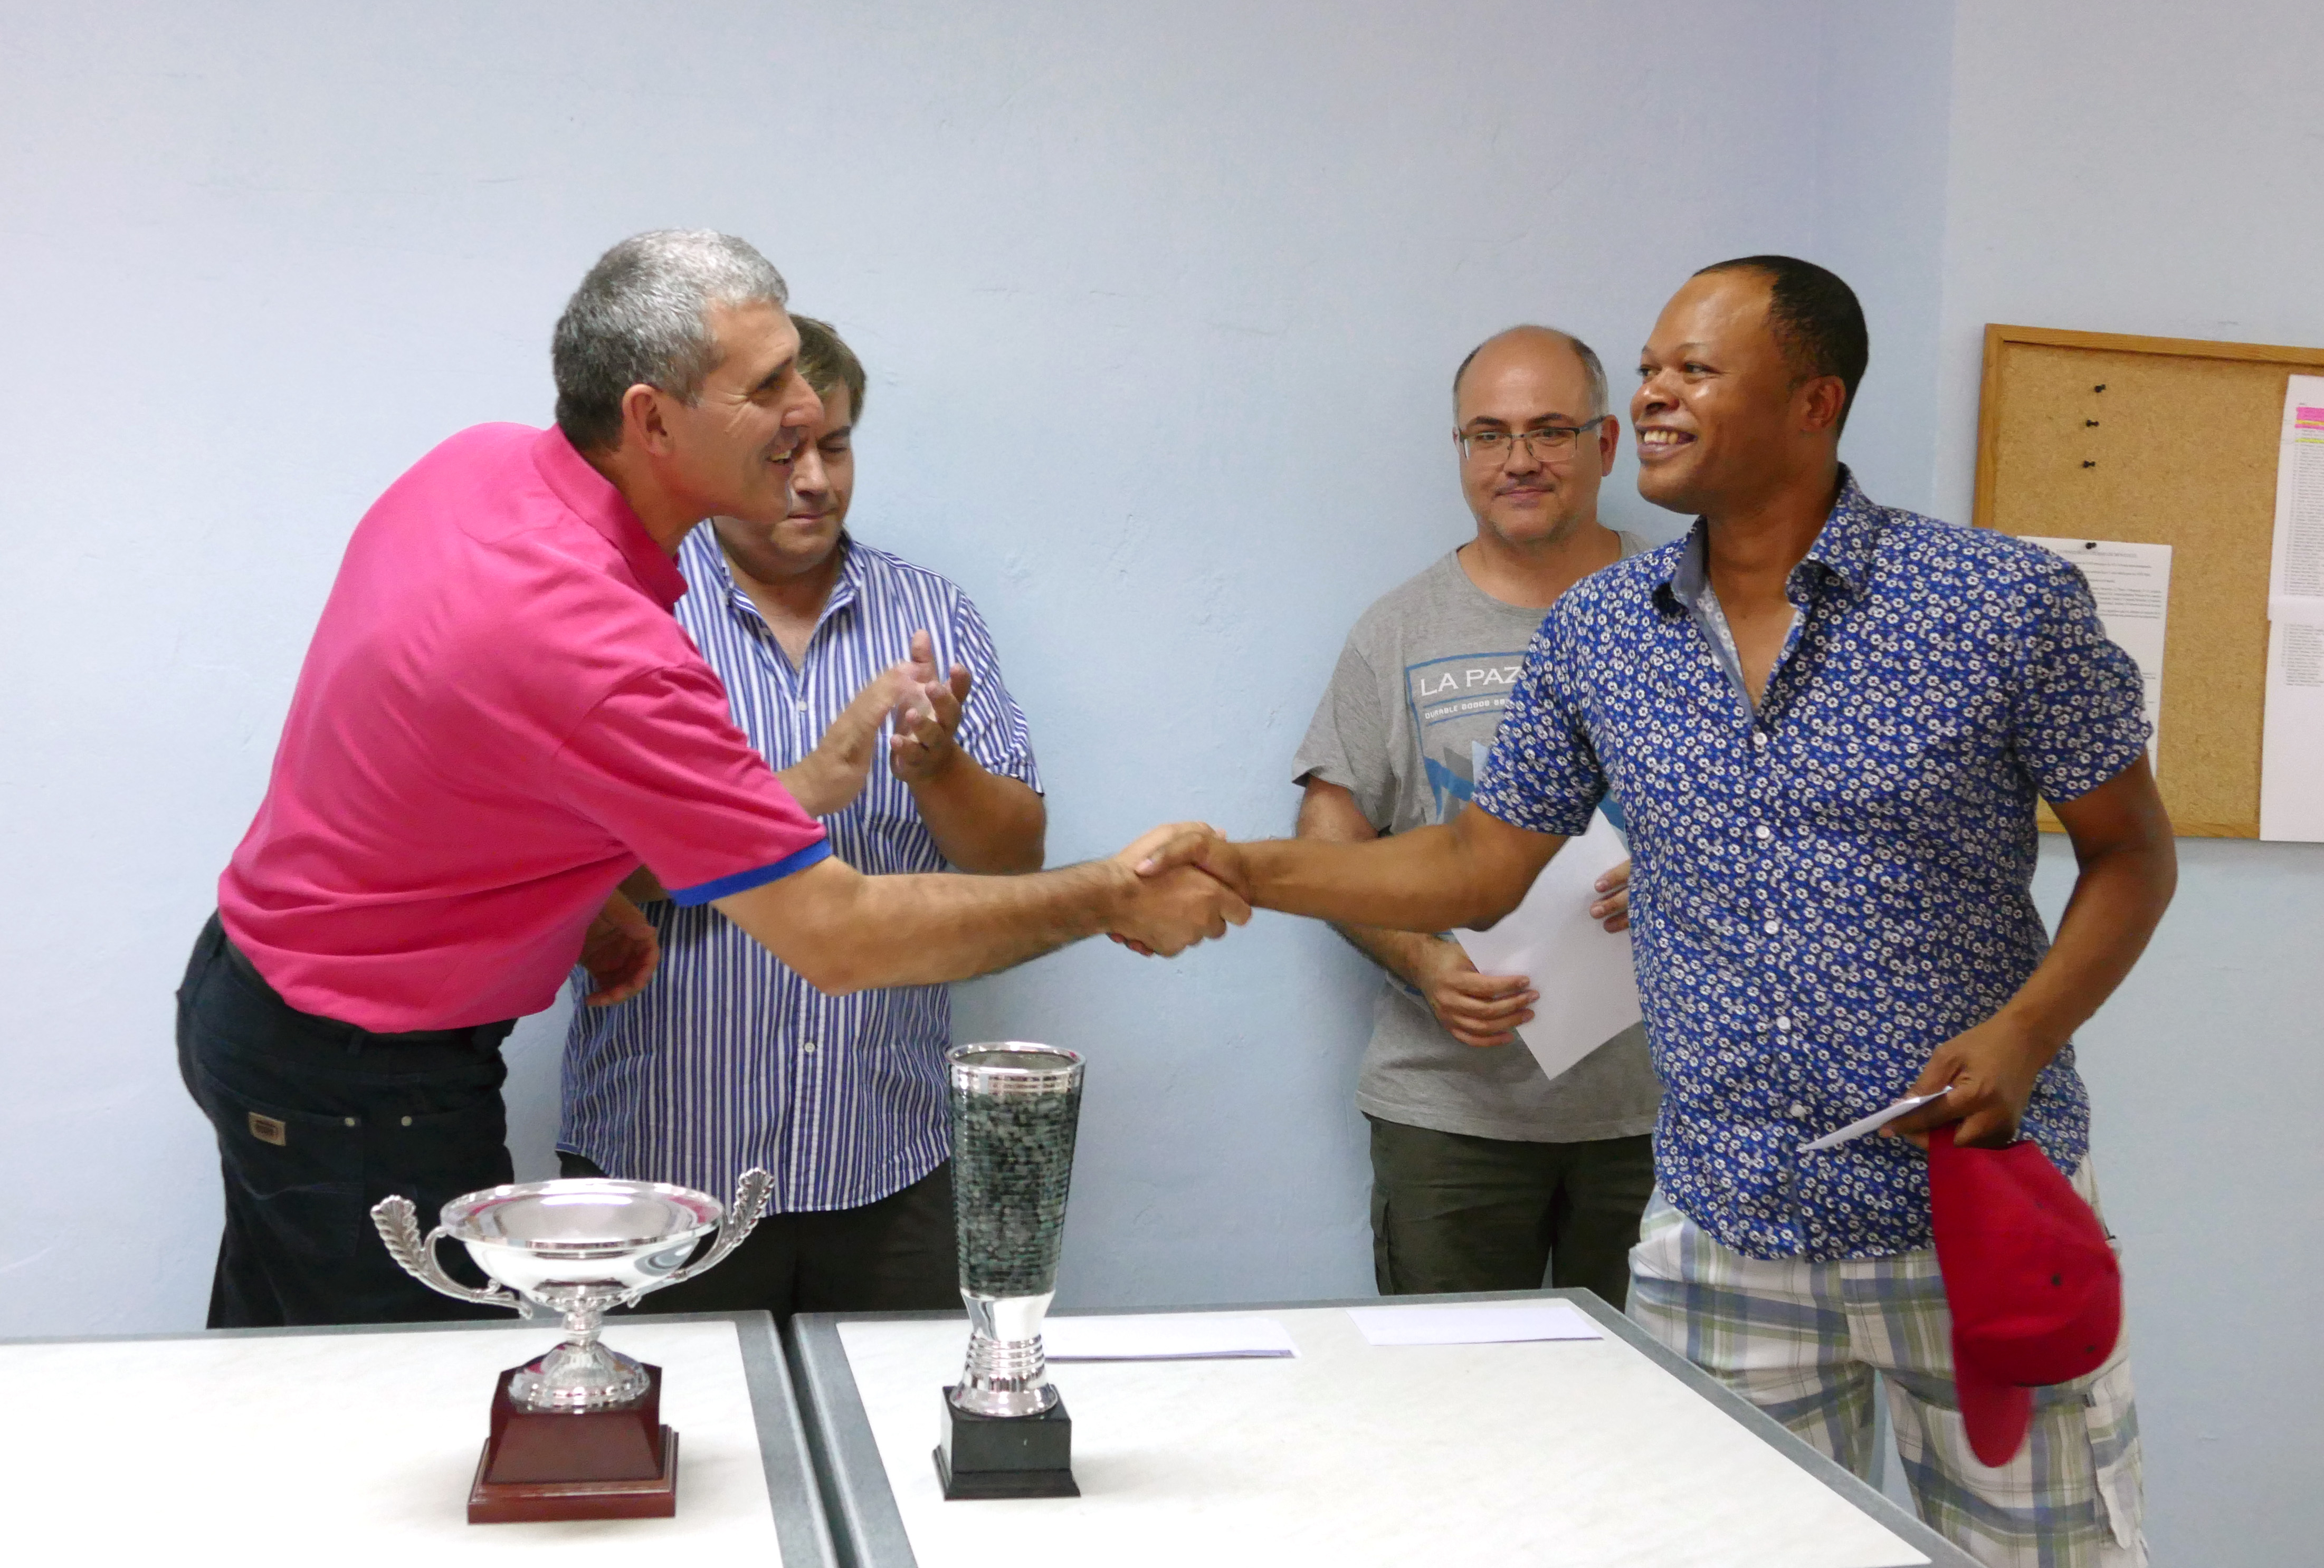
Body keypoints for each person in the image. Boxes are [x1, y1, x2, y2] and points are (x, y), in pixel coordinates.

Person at [1166, 257, 2171, 1566]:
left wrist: (2028, 1032)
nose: (1652, 396)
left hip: (1974, 1210)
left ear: (1815, 401)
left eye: (1694, 369)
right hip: (1726, 1226)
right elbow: (1477, 861)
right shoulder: (1602, 633)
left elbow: (2131, 854)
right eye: (1648, 369)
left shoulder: (1996, 602)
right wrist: (1246, 868)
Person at [178, 231, 1242, 1330]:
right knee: (381, 1397)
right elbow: (838, 935)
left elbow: (438, 753)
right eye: (768, 386)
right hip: (359, 1073)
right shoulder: (597, 642)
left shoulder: (481, 463)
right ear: (652, 421)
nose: (803, 411)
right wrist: (1109, 895)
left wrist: (580, 896)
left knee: (279, 1371)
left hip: (264, 999)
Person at [557, 316, 1042, 1321]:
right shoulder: (627, 611)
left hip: (887, 1161)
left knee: (898, 1418)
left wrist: (939, 770)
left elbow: (1014, 860)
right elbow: (576, 875)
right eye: (784, 453)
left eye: (837, 445)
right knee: (669, 1418)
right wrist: (804, 787)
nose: (816, 481)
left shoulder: (932, 613)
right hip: (661, 1168)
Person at [1291, 325, 1659, 1306]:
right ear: (1461, 450)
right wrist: (1422, 960)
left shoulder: (1693, 612)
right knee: (1452, 1393)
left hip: (1666, 1111)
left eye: (1550, 431)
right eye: (1489, 435)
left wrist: (1687, 872)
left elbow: (1794, 826)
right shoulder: (1397, 632)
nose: (1519, 459)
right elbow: (1328, 845)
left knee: (1657, 1395)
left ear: (1606, 444)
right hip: (1451, 1116)